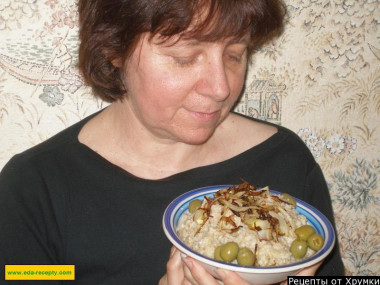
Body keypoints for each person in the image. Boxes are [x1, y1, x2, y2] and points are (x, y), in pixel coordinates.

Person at [0, 0, 344, 284]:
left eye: (235, 54)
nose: (221, 87)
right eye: (184, 58)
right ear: (113, 50)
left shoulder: (285, 163)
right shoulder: (36, 190)